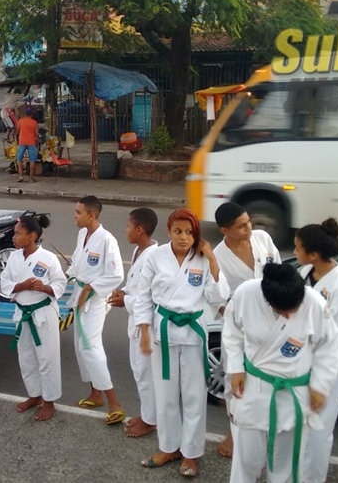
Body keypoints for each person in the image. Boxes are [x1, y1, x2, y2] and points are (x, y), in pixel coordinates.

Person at [223, 263, 338, 483]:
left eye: (293, 309)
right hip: (253, 388)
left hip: (293, 393)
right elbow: (231, 331)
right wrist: (236, 366)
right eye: (281, 310)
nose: (288, 316)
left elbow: (329, 346)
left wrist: (320, 385)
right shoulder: (246, 293)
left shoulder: (315, 303)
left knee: (285, 466)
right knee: (246, 460)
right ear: (267, 299)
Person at [133, 208, 229, 477]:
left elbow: (218, 296)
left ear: (196, 234)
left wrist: (211, 259)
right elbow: (143, 297)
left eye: (189, 232)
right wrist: (143, 332)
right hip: (162, 332)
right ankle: (168, 447)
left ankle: (191, 453)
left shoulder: (202, 258)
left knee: (194, 395)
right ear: (168, 231)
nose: (184, 237)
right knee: (165, 395)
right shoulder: (155, 256)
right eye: (178, 231)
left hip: (193, 333)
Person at [213, 202, 282, 458]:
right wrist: (236, 318)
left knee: (270, 379)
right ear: (224, 230)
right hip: (239, 328)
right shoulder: (219, 257)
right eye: (241, 226)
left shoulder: (262, 239)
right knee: (235, 383)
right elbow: (217, 299)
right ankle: (234, 433)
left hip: (275, 322)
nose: (249, 228)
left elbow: (278, 272)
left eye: (248, 222)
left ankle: (268, 431)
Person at [294, 219, 338, 483]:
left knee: (318, 429)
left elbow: (333, 339)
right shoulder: (304, 273)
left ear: (314, 254)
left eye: (297, 248)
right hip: (301, 359)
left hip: (328, 364)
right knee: (300, 425)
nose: (294, 251)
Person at [0, 215, 67, 422]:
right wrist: (23, 286)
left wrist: (44, 287)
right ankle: (34, 395)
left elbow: (60, 284)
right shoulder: (13, 257)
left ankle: (49, 402)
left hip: (43, 313)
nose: (13, 237)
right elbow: (5, 282)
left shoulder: (48, 258)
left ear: (31, 236)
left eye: (18, 233)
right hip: (23, 313)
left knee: (47, 359)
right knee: (27, 358)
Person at [66, 195, 126, 424]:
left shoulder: (107, 240)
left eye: (78, 212)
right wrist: (69, 275)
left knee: (90, 347)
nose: (74, 216)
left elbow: (116, 275)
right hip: (80, 296)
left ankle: (115, 403)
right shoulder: (83, 234)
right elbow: (76, 263)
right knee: (81, 347)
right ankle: (95, 393)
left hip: (95, 300)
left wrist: (90, 288)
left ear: (91, 215)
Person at [108, 207, 160, 438]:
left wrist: (125, 300)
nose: (125, 230)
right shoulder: (141, 251)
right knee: (140, 373)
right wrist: (124, 292)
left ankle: (151, 421)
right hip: (136, 319)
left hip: (145, 325)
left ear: (139, 230)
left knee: (145, 374)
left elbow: (149, 296)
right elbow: (136, 286)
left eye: (128, 226)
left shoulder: (153, 258)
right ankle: (147, 414)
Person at [15, 108, 39, 183]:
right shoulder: (34, 122)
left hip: (22, 142)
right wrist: (37, 144)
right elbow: (37, 134)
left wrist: (17, 140)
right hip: (31, 142)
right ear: (31, 115)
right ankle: (31, 178)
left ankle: (21, 176)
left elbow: (17, 132)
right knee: (32, 161)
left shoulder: (21, 121)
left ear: (25, 114)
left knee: (19, 160)